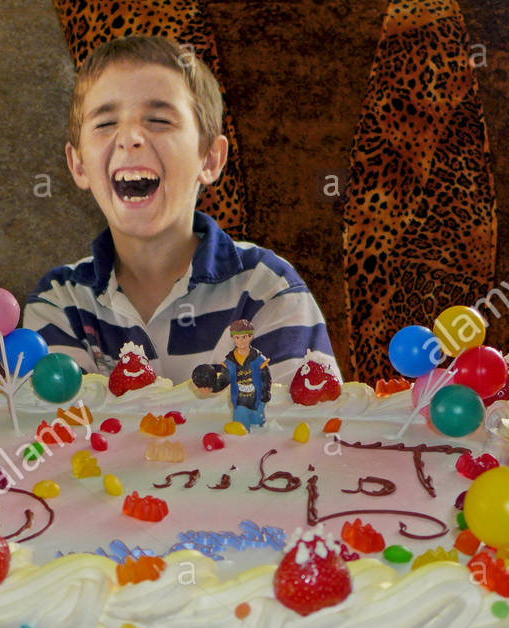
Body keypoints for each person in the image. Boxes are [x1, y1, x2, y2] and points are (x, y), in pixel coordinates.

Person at [23, 34, 339, 387]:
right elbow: (61, 434)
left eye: (158, 120)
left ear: (210, 158)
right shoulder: (60, 303)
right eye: (106, 123)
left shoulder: (267, 289)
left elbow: (303, 431)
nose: (130, 137)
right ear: (78, 165)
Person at [192, 319, 271, 427]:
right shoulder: (230, 361)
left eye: (244, 337)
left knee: (257, 423)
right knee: (240, 424)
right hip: (239, 400)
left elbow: (266, 378)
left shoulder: (258, 359)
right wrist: (212, 388)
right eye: (237, 337)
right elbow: (224, 380)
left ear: (250, 337)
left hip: (257, 399)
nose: (241, 341)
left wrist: (265, 395)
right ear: (233, 338)